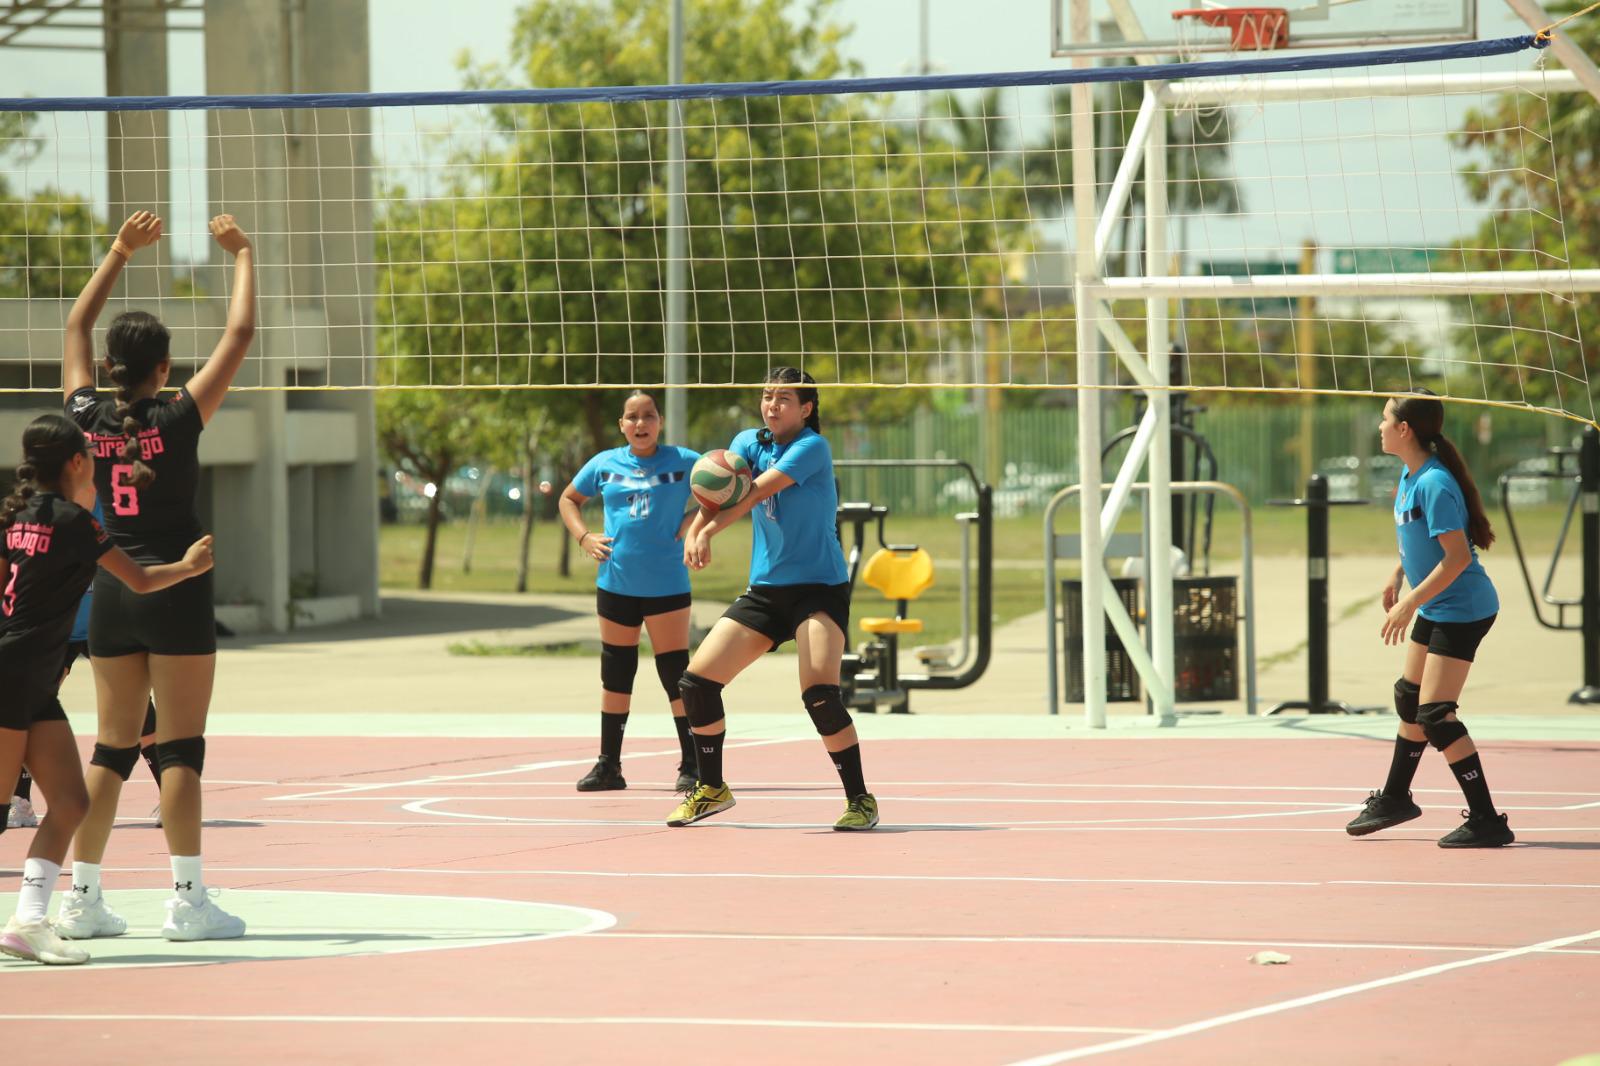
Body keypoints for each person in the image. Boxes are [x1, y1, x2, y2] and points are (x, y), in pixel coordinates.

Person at [56, 209, 257, 942]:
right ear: (164, 370)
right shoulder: (177, 416)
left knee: (111, 747)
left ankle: (81, 898)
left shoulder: (85, 416)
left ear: (112, 368)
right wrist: (241, 255)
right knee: (178, 748)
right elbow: (238, 337)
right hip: (175, 583)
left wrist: (119, 250)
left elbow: (76, 328)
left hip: (109, 586)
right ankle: (188, 900)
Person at [0, 414, 212, 965]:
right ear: (75, 462)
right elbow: (139, 580)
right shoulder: (76, 522)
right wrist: (189, 567)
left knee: (70, 802)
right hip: (14, 676)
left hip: (34, 680)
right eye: (92, 457)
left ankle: (28, 920)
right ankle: (29, 919)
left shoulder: (14, 515)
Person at [667, 367, 878, 831]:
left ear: (806, 408)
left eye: (784, 398)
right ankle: (712, 788)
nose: (772, 404)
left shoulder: (811, 447)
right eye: (767, 396)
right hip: (766, 591)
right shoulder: (748, 442)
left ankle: (860, 800)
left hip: (818, 589)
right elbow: (722, 489)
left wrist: (702, 533)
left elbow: (753, 493)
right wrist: (700, 524)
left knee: (819, 694)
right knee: (696, 685)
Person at [1346, 388, 1512, 848]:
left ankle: (1487, 820)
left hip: (1463, 609)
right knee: (1409, 697)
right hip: (1438, 603)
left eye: (1384, 419)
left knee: (1436, 716)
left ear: (1405, 429)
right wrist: (1398, 574)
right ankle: (1397, 797)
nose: (1378, 427)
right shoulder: (1409, 475)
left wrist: (1409, 603)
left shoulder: (1434, 482)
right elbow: (1420, 539)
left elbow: (1456, 558)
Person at [559, 391, 700, 793]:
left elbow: (732, 488)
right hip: (617, 583)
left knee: (675, 673)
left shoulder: (685, 461)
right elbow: (569, 499)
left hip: (667, 585)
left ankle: (691, 763)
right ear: (622, 425)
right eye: (633, 417)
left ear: (660, 422)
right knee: (616, 674)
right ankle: (609, 765)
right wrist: (584, 536)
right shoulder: (605, 463)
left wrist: (695, 518)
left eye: (649, 416)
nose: (641, 424)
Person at [6, 497, 162, 833]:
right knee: (31, 709)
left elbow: (137, 569)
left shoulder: (111, 510)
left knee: (137, 707)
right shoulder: (44, 515)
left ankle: (171, 791)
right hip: (57, 629)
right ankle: (20, 801)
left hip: (105, 624)